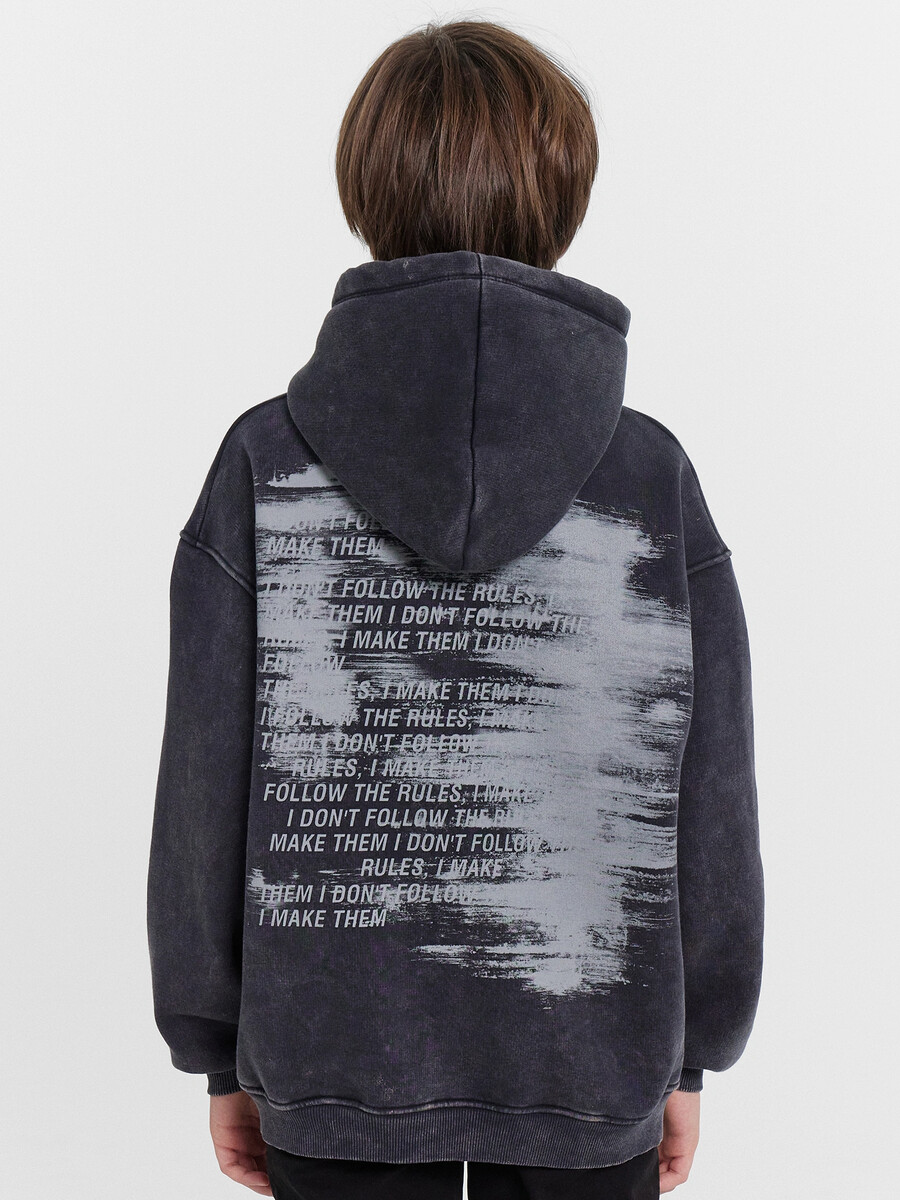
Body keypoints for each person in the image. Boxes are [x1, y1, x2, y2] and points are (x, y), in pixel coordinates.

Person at [146, 18, 764, 1199]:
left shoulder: (266, 466)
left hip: (332, 1062)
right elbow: (710, 790)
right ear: (563, 196)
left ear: (367, 187)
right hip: (594, 1059)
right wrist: (692, 1052)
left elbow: (205, 787)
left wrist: (217, 1050)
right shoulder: (648, 478)